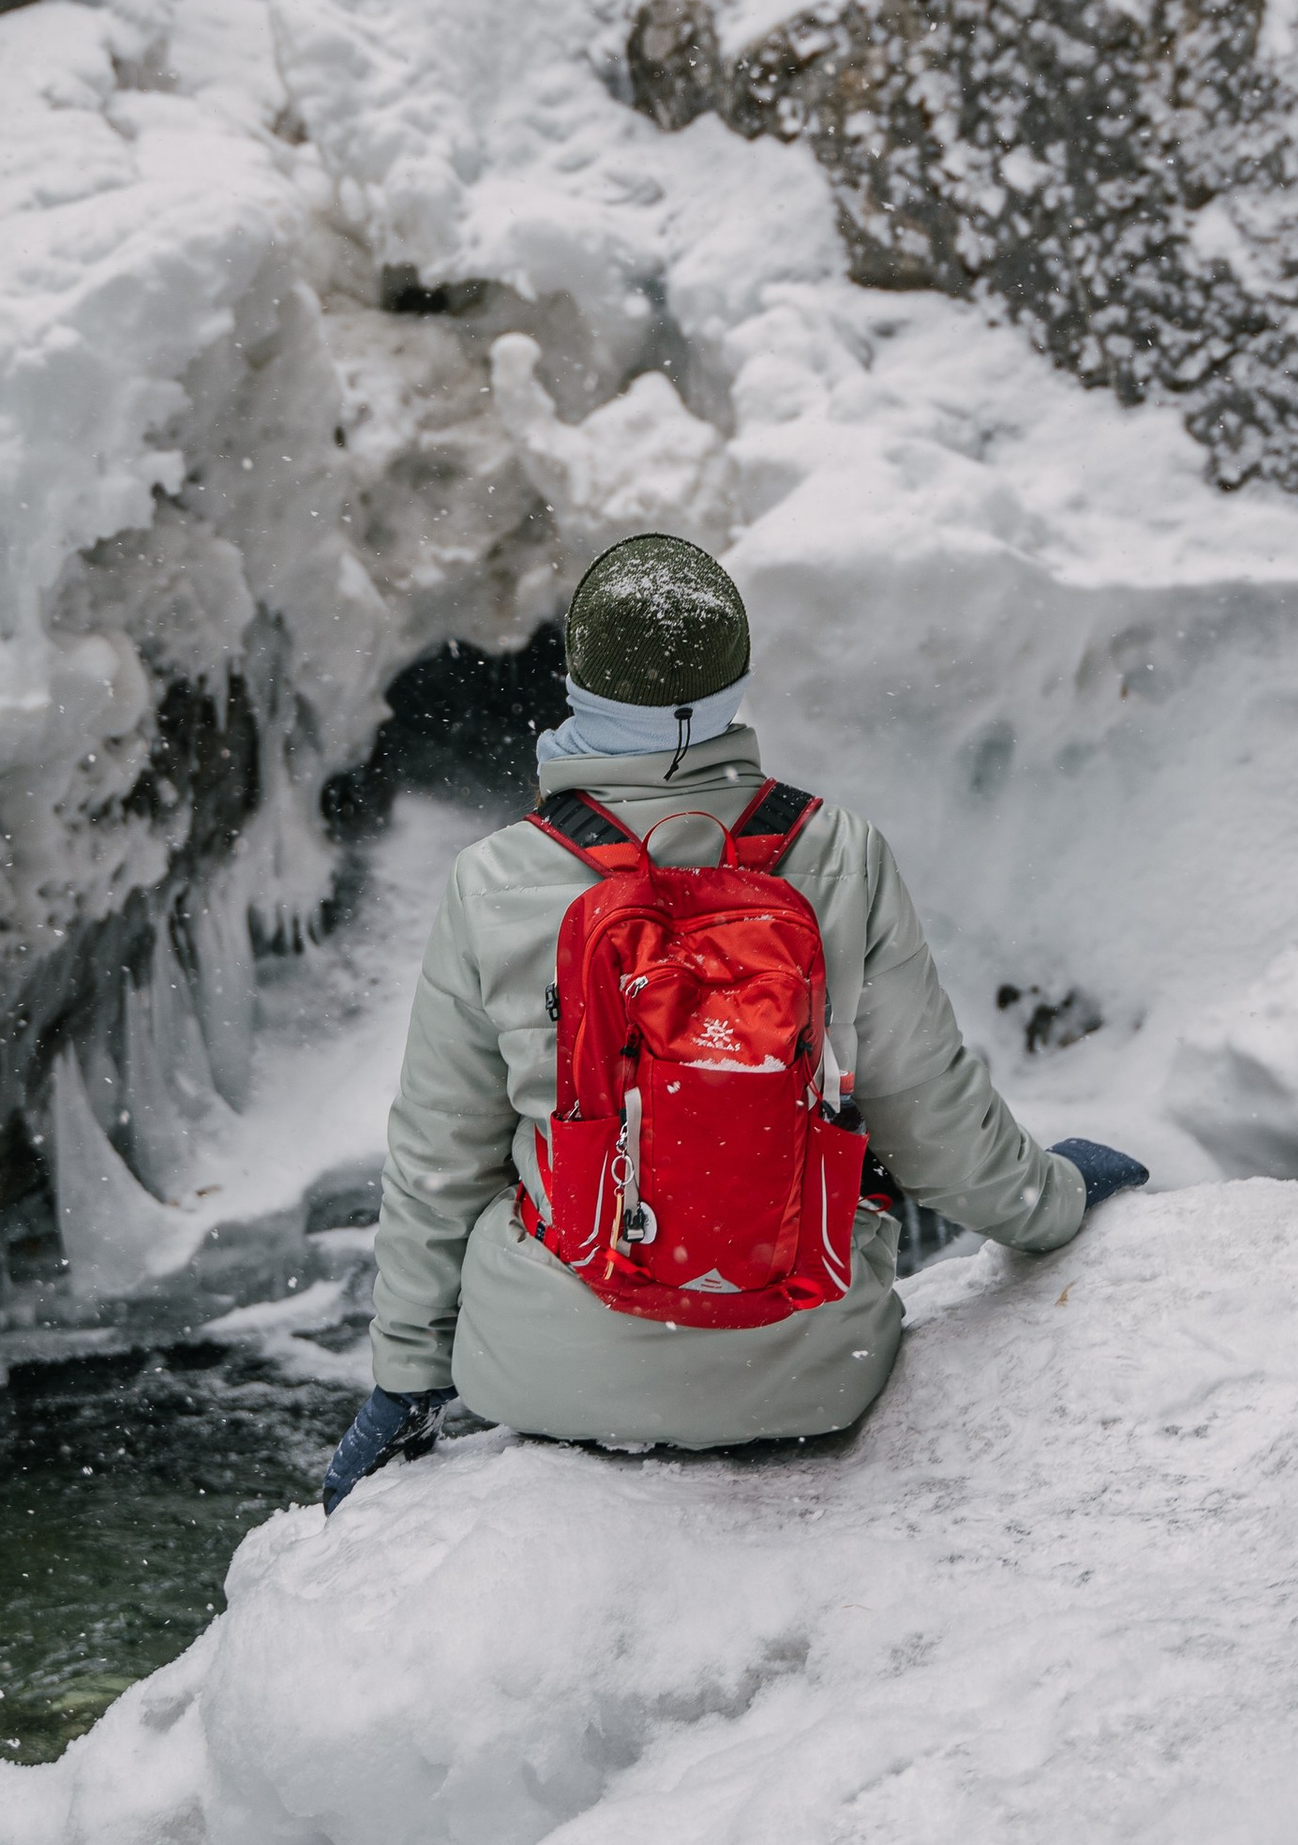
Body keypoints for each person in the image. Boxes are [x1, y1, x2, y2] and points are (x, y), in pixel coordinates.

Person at [323, 534, 1146, 1510]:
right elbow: (934, 1124)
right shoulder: (839, 853)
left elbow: (438, 1158)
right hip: (812, 1367)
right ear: (736, 685)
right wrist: (1051, 1202)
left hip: (549, 1381)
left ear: (575, 680)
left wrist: (404, 1379)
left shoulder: (493, 879)